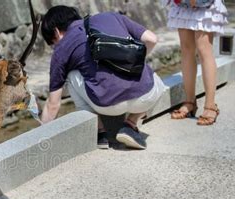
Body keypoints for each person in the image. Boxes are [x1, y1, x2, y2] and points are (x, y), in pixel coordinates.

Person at [40, 6, 166, 150]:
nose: (54, 47)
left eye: (52, 43)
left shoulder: (61, 48)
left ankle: (101, 133)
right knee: (147, 71)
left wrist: (39, 138)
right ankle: (131, 123)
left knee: (71, 75)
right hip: (146, 97)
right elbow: (152, 39)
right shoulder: (111, 16)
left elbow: (53, 104)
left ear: (56, 31)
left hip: (107, 105)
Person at [166, 0, 228, 125]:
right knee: (186, 49)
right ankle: (190, 102)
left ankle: (210, 106)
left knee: (204, 48)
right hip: (184, 4)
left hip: (205, 4)